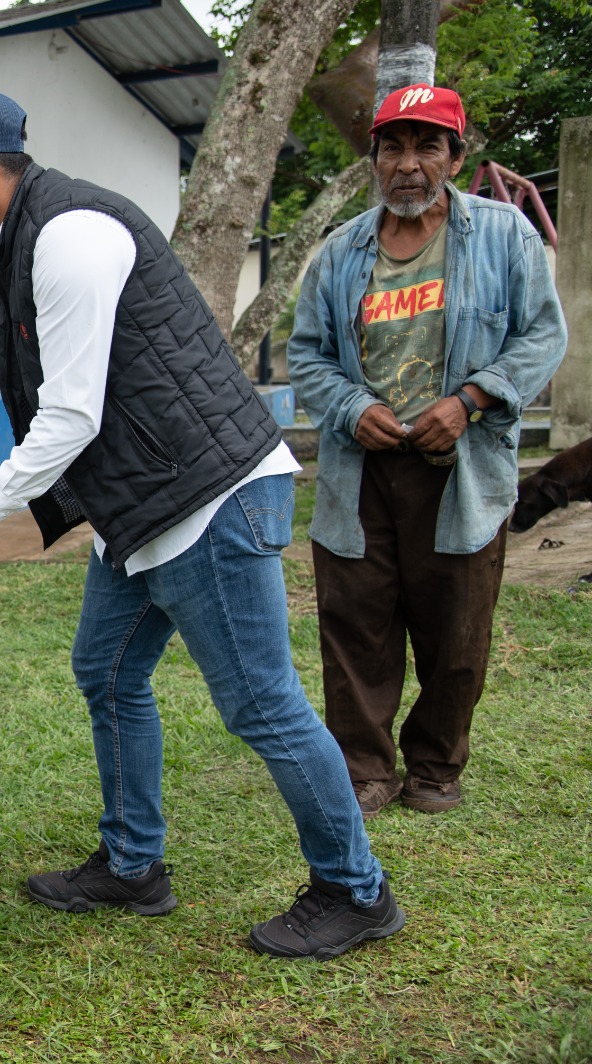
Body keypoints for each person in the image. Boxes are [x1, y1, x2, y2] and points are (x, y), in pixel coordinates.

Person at [0, 85, 401, 960]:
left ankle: (355, 889)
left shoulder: (72, 237)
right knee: (107, 674)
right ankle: (132, 865)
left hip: (208, 497)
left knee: (262, 704)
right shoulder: (12, 249)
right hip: (142, 505)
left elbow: (70, 416)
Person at [288, 84, 566, 819]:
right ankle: (364, 770)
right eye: (393, 148)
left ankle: (437, 765)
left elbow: (543, 335)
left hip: (460, 467)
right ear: (374, 159)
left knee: (457, 625)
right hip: (361, 468)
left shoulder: (504, 236)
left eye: (427, 147)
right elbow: (307, 355)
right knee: (356, 622)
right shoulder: (340, 252)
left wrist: (471, 399)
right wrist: (354, 408)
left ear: (455, 157)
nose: (408, 164)